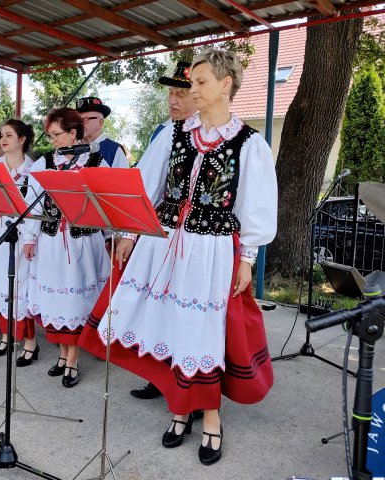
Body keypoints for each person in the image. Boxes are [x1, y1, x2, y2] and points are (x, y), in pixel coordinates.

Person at [79, 48, 277, 465]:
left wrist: (248, 258)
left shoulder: (249, 143)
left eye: (201, 82)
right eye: (192, 82)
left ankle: (210, 418)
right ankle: (179, 409)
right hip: (164, 241)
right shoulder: (175, 134)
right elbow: (145, 186)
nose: (194, 90)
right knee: (170, 324)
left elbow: (255, 204)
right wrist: (131, 233)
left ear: (226, 85)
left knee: (201, 331)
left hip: (210, 249)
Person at [21, 107, 110, 388]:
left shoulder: (97, 161)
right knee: (54, 301)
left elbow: (110, 203)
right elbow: (31, 203)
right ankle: (61, 354)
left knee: (75, 300)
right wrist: (29, 238)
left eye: (57, 134)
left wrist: (112, 236)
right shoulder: (44, 162)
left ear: (73, 133)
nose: (53, 140)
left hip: (82, 242)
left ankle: (72, 358)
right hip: (51, 242)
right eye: (50, 135)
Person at [131, 61, 198, 401]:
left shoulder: (226, 135)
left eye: (180, 92)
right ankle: (159, 376)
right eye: (170, 92)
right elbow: (145, 186)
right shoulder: (168, 133)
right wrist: (129, 235)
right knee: (159, 306)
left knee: (190, 311)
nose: (172, 100)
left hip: (203, 240)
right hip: (166, 234)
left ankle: (193, 383)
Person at [0, 119, 38, 366]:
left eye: (9, 135)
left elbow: (36, 205)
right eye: (2, 135)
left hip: (22, 232)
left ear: (22, 139)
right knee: (0, 285)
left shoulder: (34, 169)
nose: (3, 139)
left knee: (20, 287)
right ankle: (6, 336)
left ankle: (31, 341)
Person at [75, 97, 128, 168]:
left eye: (84, 120)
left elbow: (124, 179)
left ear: (100, 123)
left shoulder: (114, 151)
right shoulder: (70, 148)